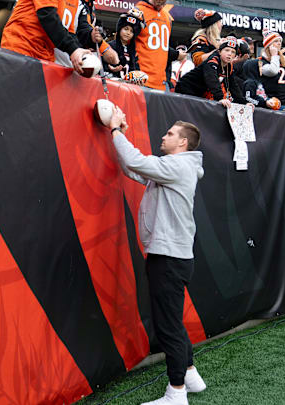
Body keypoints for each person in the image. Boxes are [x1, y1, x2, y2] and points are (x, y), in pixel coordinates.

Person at [108, 108, 205, 405]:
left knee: (167, 326)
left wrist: (113, 130)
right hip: (173, 256)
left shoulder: (178, 167)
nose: (164, 136)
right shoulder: (175, 166)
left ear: (183, 143)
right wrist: (119, 134)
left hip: (169, 258)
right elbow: (134, 169)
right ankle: (190, 375)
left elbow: (136, 160)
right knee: (172, 320)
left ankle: (176, 393)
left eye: (170, 134)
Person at [0, 0, 92, 74]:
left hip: (45, 55)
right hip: (22, 47)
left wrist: (79, 55)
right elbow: (47, 14)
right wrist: (73, 50)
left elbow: (70, 32)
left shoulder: (75, 1)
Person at [175, 37, 247, 108]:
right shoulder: (213, 60)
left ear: (235, 56)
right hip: (185, 88)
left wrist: (244, 103)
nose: (229, 54)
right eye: (227, 50)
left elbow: (233, 85)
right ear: (219, 52)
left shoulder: (228, 66)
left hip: (198, 93)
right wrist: (220, 98)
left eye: (233, 52)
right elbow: (211, 78)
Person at [242, 30, 285, 110]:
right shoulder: (261, 62)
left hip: (284, 103)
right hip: (269, 102)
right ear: (269, 45)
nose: (279, 43)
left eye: (280, 41)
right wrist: (274, 55)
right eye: (276, 41)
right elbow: (273, 71)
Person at [134, 0, 183, 90]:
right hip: (141, 79)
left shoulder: (167, 16)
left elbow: (162, 48)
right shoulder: (137, 12)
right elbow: (126, 43)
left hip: (162, 82)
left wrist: (176, 54)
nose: (161, 2)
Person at [105, 10, 145, 80]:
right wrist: (112, 70)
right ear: (120, 29)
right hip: (112, 83)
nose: (128, 33)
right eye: (126, 29)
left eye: (131, 31)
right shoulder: (109, 46)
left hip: (127, 87)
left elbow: (136, 70)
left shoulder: (134, 52)